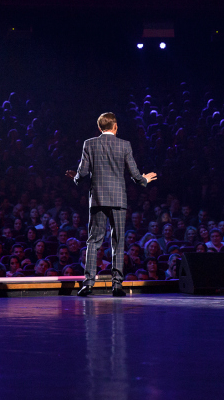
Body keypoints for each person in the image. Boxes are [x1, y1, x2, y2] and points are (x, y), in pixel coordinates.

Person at [66, 112, 157, 297]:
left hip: (98, 198)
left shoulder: (89, 143)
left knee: (93, 241)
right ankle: (117, 285)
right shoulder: (124, 145)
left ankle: (88, 284)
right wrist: (143, 180)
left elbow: (82, 173)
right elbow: (134, 173)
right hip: (117, 199)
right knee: (118, 241)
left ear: (99, 128)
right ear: (115, 127)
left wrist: (75, 178)